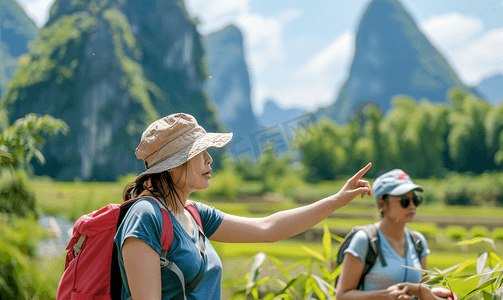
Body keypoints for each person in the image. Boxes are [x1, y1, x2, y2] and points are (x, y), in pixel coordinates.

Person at [114, 113, 373, 300]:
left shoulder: (193, 213)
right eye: (198, 151)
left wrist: (337, 200)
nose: (209, 158)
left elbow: (267, 228)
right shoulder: (145, 217)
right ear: (171, 165)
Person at [335, 169, 453, 300]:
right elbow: (342, 296)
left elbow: (424, 289)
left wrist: (435, 294)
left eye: (416, 199)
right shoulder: (365, 240)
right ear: (382, 204)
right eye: (404, 201)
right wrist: (386, 296)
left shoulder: (418, 242)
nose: (412, 206)